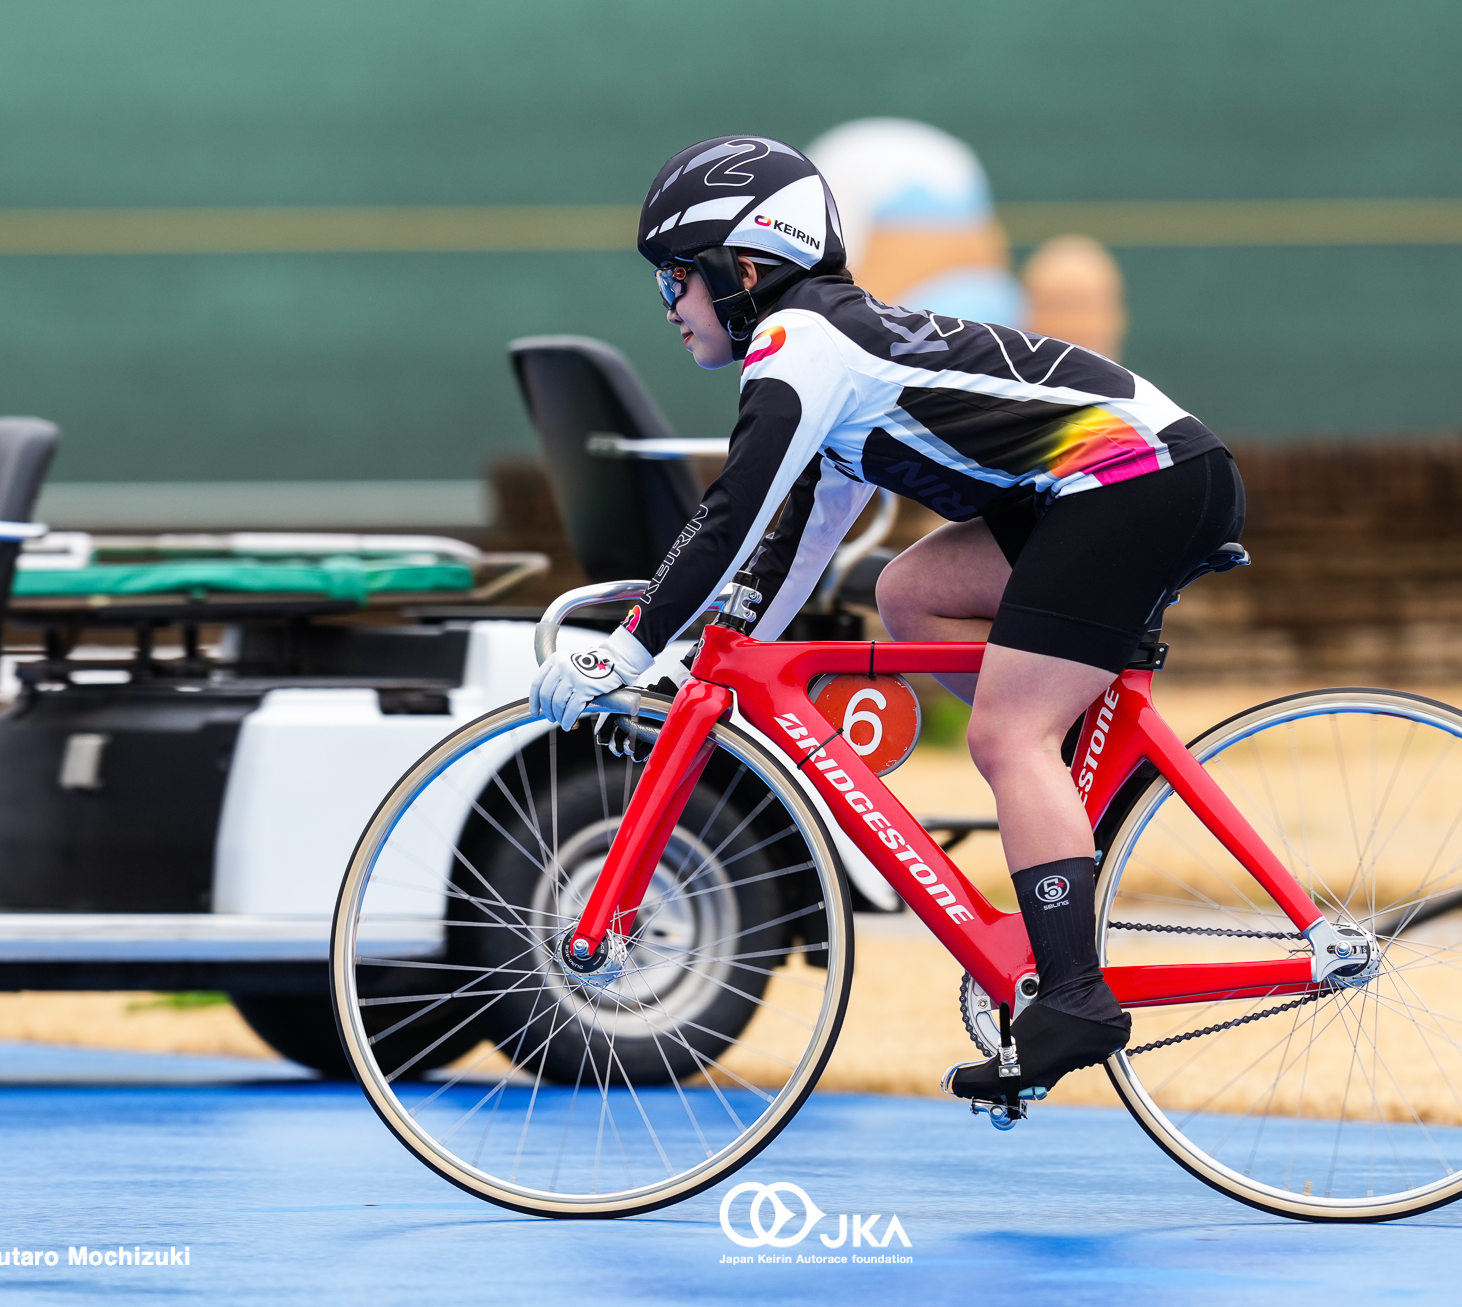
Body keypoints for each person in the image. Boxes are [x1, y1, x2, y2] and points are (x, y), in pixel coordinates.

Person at [530, 135, 1244, 1106]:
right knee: (907, 592)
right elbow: (791, 547)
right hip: (1124, 480)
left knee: (1004, 731)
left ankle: (1074, 993)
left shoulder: (802, 345)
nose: (668, 308)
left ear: (744, 269)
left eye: (675, 281)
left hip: (1138, 481)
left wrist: (629, 645)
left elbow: (730, 510)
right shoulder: (831, 350)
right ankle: (1071, 799)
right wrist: (708, 663)